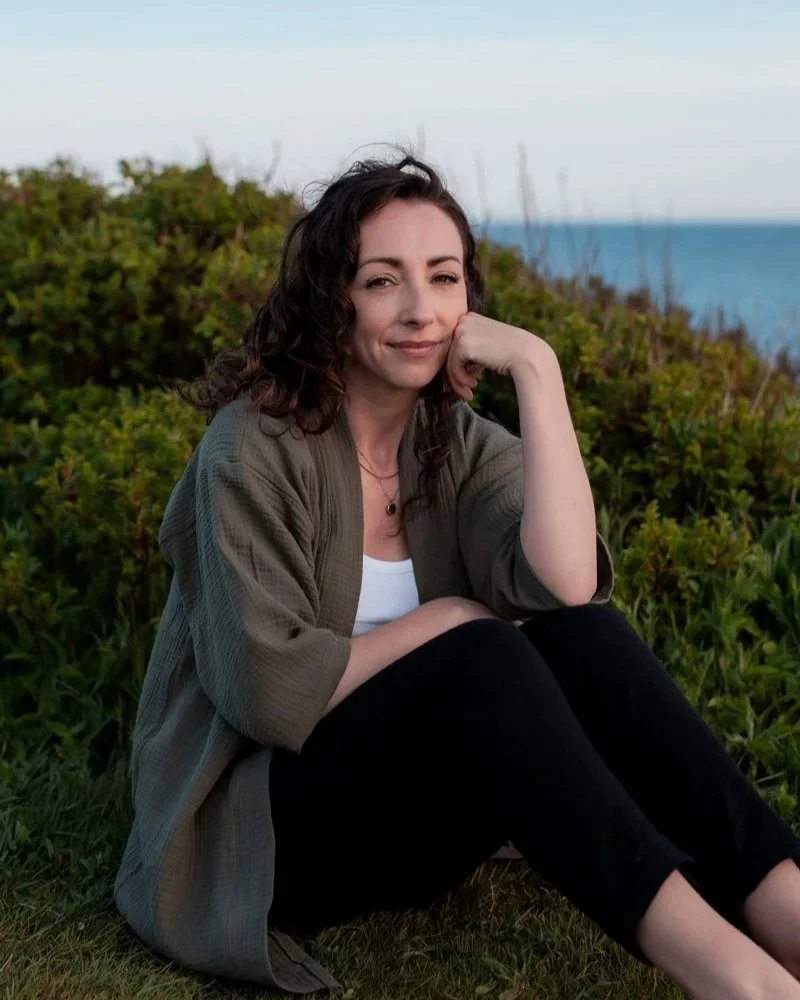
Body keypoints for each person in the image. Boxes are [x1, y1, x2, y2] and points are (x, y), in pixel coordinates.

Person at [114, 150, 800, 999]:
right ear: (333, 297)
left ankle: (789, 913)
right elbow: (266, 691)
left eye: (442, 279)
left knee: (583, 635)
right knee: (482, 656)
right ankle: (736, 978)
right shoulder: (255, 450)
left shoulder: (452, 443)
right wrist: (454, 622)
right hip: (265, 835)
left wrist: (538, 374)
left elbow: (565, 583)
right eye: (381, 280)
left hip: (408, 817)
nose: (419, 310)